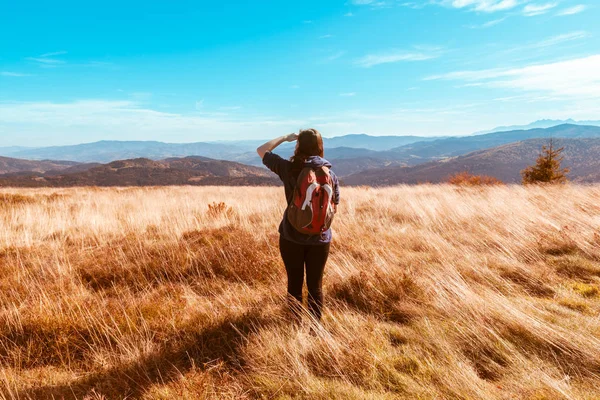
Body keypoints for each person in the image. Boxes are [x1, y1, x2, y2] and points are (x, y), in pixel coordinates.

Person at [257, 128, 340, 322]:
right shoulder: (330, 174)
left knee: (294, 284)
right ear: (320, 147)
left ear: (298, 146)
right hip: (320, 239)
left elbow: (261, 150)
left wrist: (285, 137)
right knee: (315, 286)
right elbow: (334, 206)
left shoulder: (289, 169)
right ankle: (314, 330)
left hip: (291, 236)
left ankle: (294, 326)